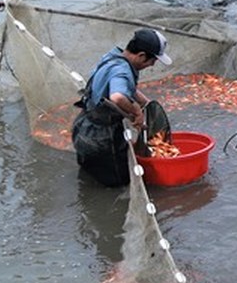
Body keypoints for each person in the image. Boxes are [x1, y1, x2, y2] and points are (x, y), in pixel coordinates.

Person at [72, 28, 172, 187]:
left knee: (89, 177)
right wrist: (136, 111)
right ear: (141, 56)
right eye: (152, 60)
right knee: (119, 185)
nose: (152, 65)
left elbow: (125, 87)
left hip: (83, 127)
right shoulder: (122, 70)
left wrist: (144, 103)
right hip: (102, 139)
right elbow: (117, 97)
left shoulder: (114, 56)